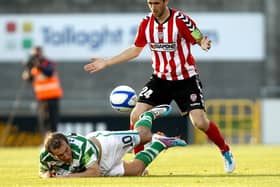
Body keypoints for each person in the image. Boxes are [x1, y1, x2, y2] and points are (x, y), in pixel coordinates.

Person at [83, 0, 235, 173]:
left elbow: (198, 37)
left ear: (165, 1)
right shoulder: (146, 23)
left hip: (185, 80)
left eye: (156, 3)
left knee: (199, 122)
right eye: (150, 3)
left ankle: (225, 150)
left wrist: (203, 43)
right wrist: (107, 62)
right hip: (160, 80)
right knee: (136, 115)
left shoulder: (180, 20)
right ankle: (138, 163)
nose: (153, 7)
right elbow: (135, 49)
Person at [39, 105, 187, 178]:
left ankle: (148, 115)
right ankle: (160, 143)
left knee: (145, 135)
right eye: (60, 155)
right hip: (99, 165)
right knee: (137, 170)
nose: (65, 156)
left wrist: (64, 178)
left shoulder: (81, 147)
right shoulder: (45, 156)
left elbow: (94, 172)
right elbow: (43, 172)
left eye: (66, 151)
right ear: (52, 154)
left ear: (68, 143)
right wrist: (46, 175)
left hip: (106, 144)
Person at [22, 46, 63, 136]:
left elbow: (49, 72)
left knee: (53, 121)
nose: (36, 56)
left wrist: (38, 65)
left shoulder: (48, 63)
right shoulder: (32, 67)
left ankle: (54, 140)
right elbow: (28, 78)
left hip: (53, 97)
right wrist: (28, 67)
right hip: (42, 99)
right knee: (43, 121)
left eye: (37, 54)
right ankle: (46, 141)